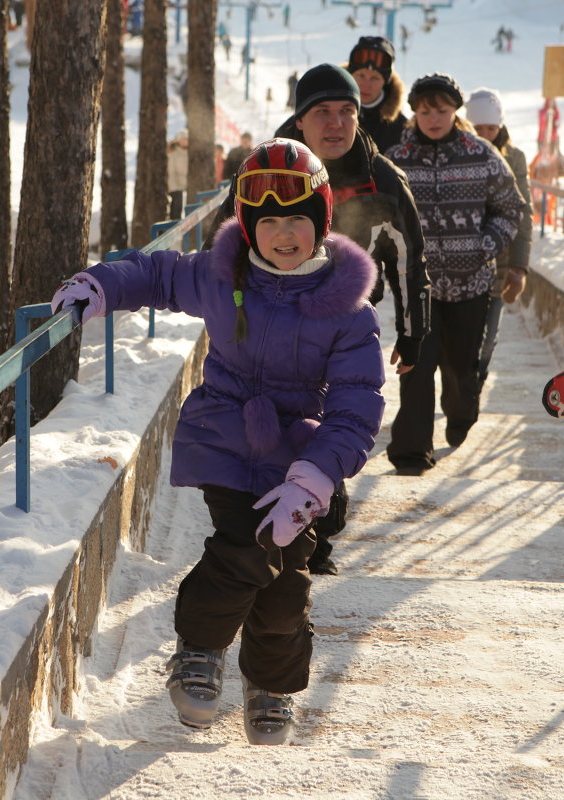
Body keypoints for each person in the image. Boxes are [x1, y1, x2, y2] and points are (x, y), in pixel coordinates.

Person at [51, 138, 385, 746]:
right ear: (250, 227)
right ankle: (200, 650)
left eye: (298, 221)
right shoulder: (221, 275)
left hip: (298, 462)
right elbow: (156, 273)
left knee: (286, 584)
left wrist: (313, 479)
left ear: (321, 222)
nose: (285, 235)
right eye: (270, 222)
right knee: (248, 547)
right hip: (226, 440)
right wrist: (101, 287)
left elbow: (357, 407)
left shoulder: (349, 313)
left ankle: (271, 683)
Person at [206, 63, 431, 576]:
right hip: (263, 330)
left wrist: (414, 333)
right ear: (300, 120)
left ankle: (315, 537)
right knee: (270, 432)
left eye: (347, 111)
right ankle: (259, 534)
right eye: (322, 112)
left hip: (343, 335)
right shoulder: (266, 170)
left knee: (331, 428)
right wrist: (226, 311)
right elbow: (219, 245)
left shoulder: (383, 179)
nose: (336, 123)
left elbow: (412, 261)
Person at [384, 73, 524, 473]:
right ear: (413, 112)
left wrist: (485, 247)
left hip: (471, 283)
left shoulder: (480, 154)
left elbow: (510, 208)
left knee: (462, 368)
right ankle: (411, 452)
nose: (433, 118)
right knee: (417, 364)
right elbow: (382, 213)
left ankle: (461, 416)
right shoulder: (398, 158)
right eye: (425, 111)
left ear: (454, 112)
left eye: (441, 110)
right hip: (418, 286)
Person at [464, 88, 533, 397]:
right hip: (459, 267)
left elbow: (523, 213)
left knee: (488, 337)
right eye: (478, 129)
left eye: (490, 129)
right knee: (459, 338)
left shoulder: (513, 158)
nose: (485, 136)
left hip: (499, 264)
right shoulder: (455, 156)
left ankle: (474, 386)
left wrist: (519, 267)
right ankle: (459, 390)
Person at [346, 35, 408, 154]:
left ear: (386, 81)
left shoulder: (399, 127)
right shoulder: (330, 111)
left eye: (375, 78)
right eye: (361, 76)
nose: (366, 85)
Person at [166, 128, 189, 218]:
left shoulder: (190, 153)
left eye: (186, 139)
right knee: (176, 213)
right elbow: (170, 172)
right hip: (177, 189)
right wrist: (173, 188)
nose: (184, 141)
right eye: (182, 139)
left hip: (188, 188)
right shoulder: (173, 154)